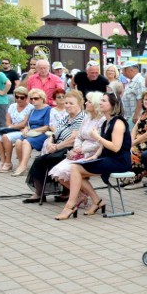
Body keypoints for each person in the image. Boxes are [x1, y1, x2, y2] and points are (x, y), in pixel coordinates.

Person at [55, 91, 131, 220]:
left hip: (119, 161)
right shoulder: (107, 121)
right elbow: (102, 145)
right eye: (100, 100)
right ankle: (97, 201)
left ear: (113, 105)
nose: (100, 103)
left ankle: (70, 206)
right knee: (76, 170)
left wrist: (97, 137)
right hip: (107, 158)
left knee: (75, 168)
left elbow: (115, 147)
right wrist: (94, 156)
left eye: (104, 101)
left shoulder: (118, 123)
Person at [24, 89, 85, 203]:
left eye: (71, 103)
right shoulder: (66, 117)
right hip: (57, 146)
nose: (67, 105)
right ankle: (39, 192)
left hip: (70, 149)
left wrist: (56, 147)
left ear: (79, 104)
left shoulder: (81, 118)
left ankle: (66, 192)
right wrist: (50, 143)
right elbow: (55, 132)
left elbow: (73, 139)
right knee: (38, 161)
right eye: (66, 103)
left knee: (53, 160)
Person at [48, 92, 106, 198]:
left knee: (69, 171)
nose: (86, 103)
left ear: (95, 104)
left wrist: (81, 150)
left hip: (93, 153)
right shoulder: (87, 118)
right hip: (80, 150)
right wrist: (77, 148)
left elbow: (100, 143)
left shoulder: (103, 120)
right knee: (56, 173)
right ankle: (81, 195)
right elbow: (78, 137)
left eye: (89, 101)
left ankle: (93, 198)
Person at [11, 89, 53, 177]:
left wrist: (33, 131)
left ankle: (23, 166)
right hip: (31, 133)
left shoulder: (48, 109)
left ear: (42, 98)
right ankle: (21, 164)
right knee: (18, 142)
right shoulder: (33, 110)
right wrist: (26, 129)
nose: (33, 100)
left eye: (36, 98)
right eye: (31, 98)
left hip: (42, 134)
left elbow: (47, 126)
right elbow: (28, 124)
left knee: (26, 142)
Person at [0, 85, 33, 173]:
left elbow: (24, 123)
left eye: (22, 97)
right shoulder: (12, 106)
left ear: (26, 97)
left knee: (6, 137)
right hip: (12, 130)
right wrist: (11, 126)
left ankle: (8, 162)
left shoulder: (30, 108)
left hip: (23, 131)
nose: (19, 99)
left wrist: (12, 126)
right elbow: (7, 121)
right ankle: (3, 160)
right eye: (17, 97)